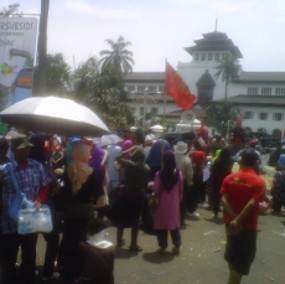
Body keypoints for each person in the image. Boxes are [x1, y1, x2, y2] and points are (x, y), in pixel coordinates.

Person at [0, 134, 50, 284]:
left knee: (29, 256)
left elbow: (45, 185)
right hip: (9, 222)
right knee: (8, 258)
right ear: (13, 150)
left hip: (30, 221)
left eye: (28, 149)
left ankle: (26, 280)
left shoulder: (37, 166)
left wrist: (40, 199)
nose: (26, 152)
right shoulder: (4, 170)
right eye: (22, 149)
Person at [60, 141, 106, 283]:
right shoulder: (91, 173)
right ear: (85, 154)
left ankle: (67, 272)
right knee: (83, 244)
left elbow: (64, 193)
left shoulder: (67, 171)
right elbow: (99, 196)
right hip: (85, 215)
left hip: (69, 214)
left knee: (68, 240)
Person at [220, 149, 266, 284]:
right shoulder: (258, 182)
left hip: (231, 225)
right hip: (247, 226)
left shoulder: (229, 178)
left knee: (232, 256)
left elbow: (223, 200)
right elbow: (252, 203)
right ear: (256, 163)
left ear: (240, 161)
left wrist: (234, 220)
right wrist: (238, 220)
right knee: (244, 259)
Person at [114, 146, 149, 251]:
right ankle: (133, 244)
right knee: (135, 221)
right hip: (138, 195)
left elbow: (117, 158)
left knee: (121, 219)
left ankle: (119, 241)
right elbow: (145, 185)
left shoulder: (130, 165)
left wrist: (128, 150)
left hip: (126, 193)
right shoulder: (146, 168)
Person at [152, 149, 183, 255]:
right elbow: (180, 189)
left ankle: (163, 247)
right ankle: (177, 246)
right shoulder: (178, 173)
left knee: (161, 225)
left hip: (162, 203)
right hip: (174, 203)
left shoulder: (159, 174)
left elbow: (155, 189)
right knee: (174, 225)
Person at [71, 218, 115, 284]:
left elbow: (79, 269)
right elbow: (110, 271)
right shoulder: (110, 248)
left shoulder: (83, 246)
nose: (106, 234)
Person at [209, 147, 233, 219]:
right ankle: (225, 214)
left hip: (217, 181)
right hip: (227, 180)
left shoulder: (217, 161)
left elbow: (212, 170)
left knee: (216, 197)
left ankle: (215, 213)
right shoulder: (230, 161)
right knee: (226, 198)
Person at [174, 141, 193, 226]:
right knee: (182, 201)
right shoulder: (187, 159)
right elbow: (190, 174)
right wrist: (189, 183)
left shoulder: (172, 157)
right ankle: (181, 220)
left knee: (173, 200)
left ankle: (173, 218)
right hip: (183, 182)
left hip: (173, 180)